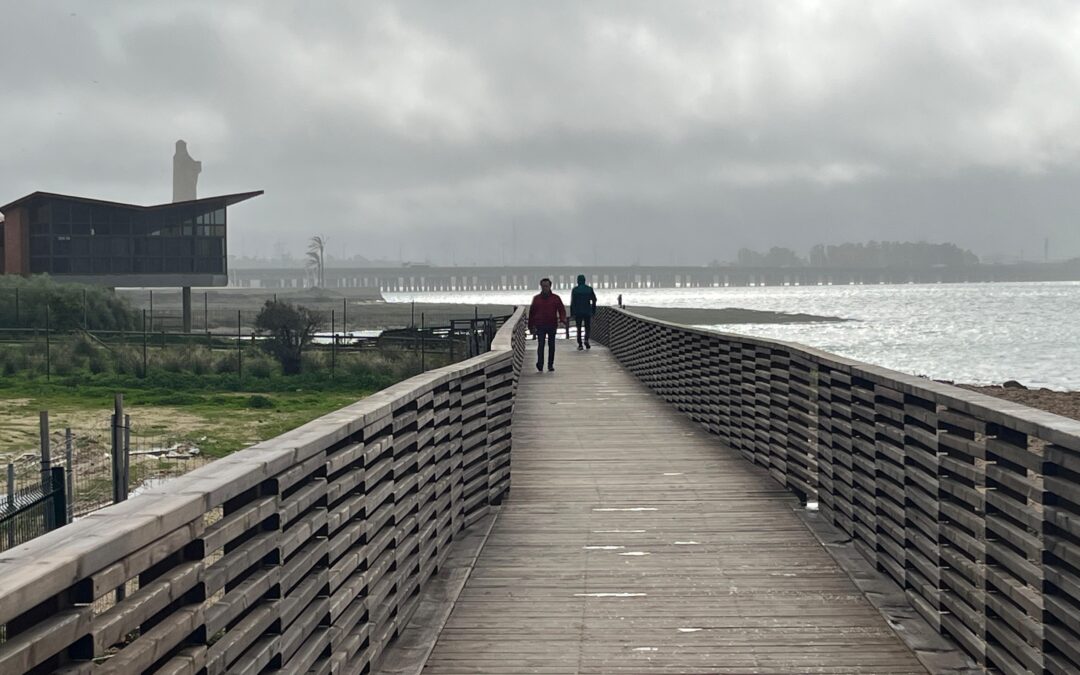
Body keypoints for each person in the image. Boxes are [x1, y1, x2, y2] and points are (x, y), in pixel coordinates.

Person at [528, 278, 567, 372]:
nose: (545, 288)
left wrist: (562, 320)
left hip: (552, 324)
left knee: (551, 345)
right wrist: (530, 326)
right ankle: (540, 364)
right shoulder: (536, 298)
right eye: (543, 286)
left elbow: (561, 310)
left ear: (550, 286)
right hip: (540, 325)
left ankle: (550, 364)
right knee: (541, 345)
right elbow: (531, 313)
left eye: (547, 286)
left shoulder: (555, 298)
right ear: (541, 286)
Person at [570, 274, 598, 350]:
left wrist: (572, 313)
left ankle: (580, 344)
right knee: (587, 327)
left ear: (578, 281)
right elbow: (594, 300)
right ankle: (586, 339)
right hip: (587, 311)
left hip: (578, 312)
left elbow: (572, 302)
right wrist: (593, 310)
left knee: (578, 328)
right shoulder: (589, 289)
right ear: (584, 280)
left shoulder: (575, 290)